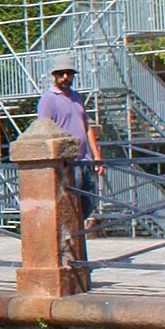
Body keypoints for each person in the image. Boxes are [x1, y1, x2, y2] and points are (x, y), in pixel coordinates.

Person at [39, 57, 102, 229]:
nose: (66, 77)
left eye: (69, 74)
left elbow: (87, 126)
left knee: (89, 202)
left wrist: (97, 156)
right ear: (55, 76)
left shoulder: (77, 97)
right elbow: (43, 130)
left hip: (85, 159)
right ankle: (71, 241)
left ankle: (76, 238)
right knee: (71, 205)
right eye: (62, 74)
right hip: (67, 162)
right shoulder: (48, 99)